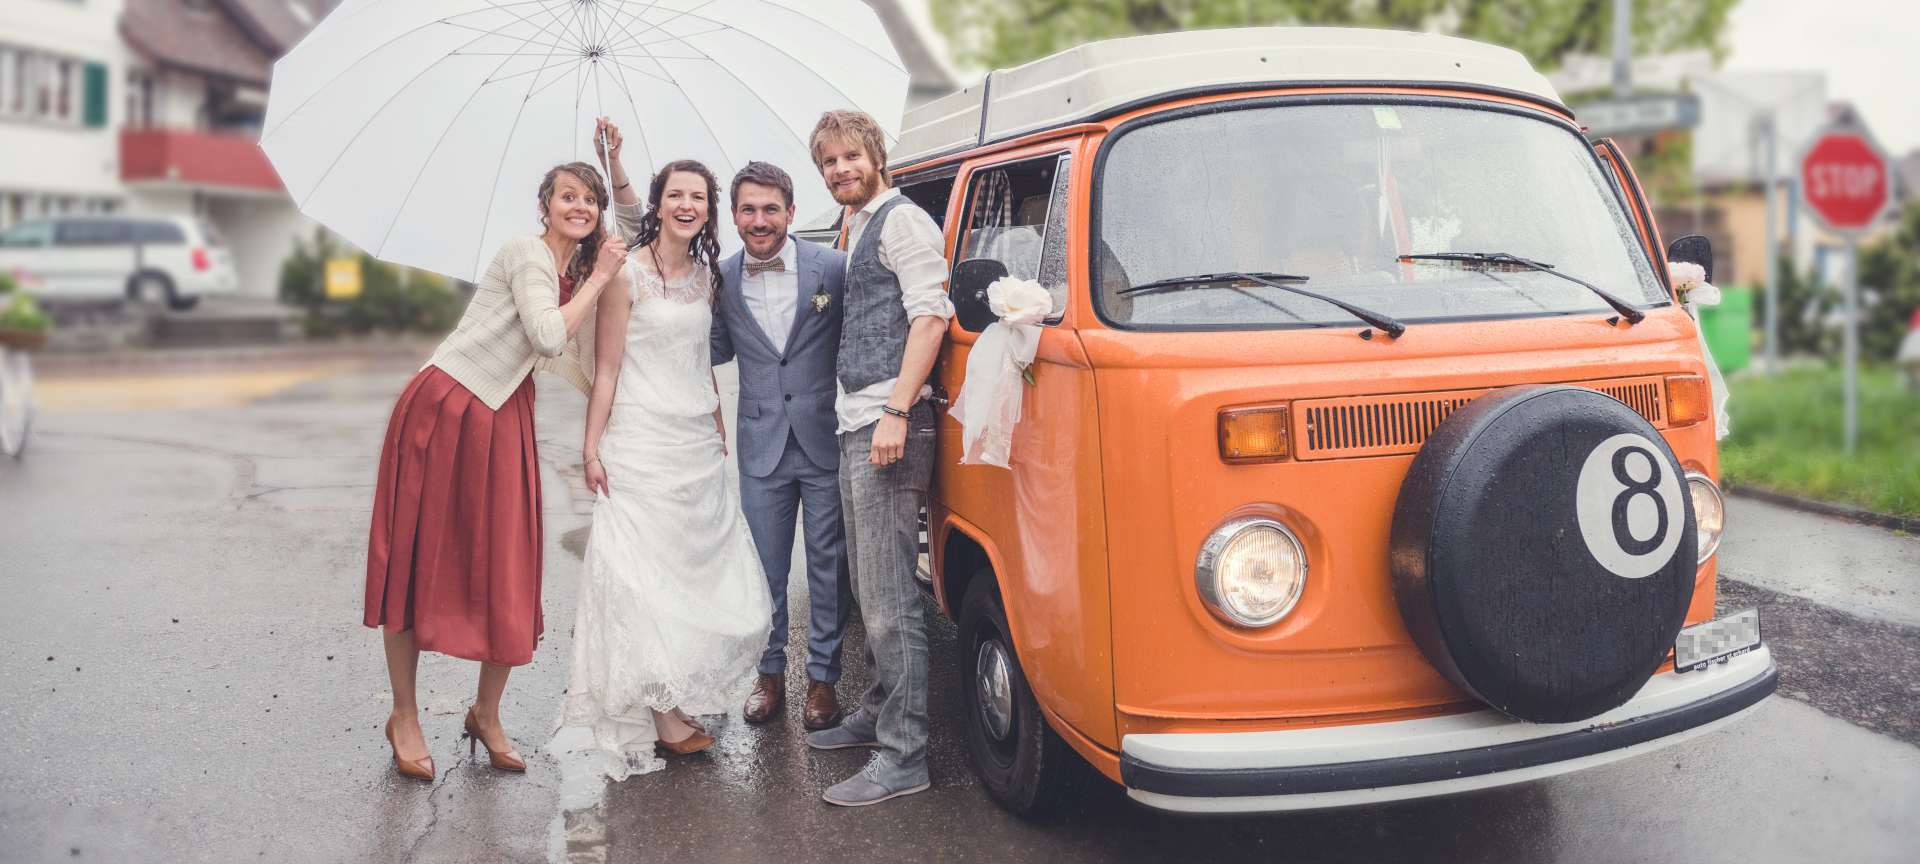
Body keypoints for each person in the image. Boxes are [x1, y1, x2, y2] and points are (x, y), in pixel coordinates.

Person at [365, 163, 625, 782]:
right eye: (568, 196)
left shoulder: (576, 273)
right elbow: (543, 332)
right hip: (447, 403)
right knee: (415, 558)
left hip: (503, 413)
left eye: (590, 199)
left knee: (508, 562)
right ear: (545, 204)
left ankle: (486, 713)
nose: (579, 207)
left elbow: (584, 345)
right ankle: (404, 715)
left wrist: (614, 177)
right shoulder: (526, 254)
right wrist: (600, 280)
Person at [555, 152, 774, 781]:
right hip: (640, 441)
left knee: (693, 575)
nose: (687, 206)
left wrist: (715, 422)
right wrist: (591, 448)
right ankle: (664, 714)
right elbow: (608, 369)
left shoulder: (708, 277)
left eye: (699, 198)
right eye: (677, 195)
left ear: (709, 211)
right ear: (657, 203)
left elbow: (699, 359)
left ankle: (673, 696)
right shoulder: (625, 274)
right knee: (642, 579)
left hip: (694, 443)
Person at [799, 110, 953, 807]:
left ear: (876, 156)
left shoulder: (904, 222)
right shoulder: (857, 226)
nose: (839, 171)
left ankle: (904, 755)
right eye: (828, 162)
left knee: (892, 604)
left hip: (890, 425)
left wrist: (897, 409)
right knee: (870, 589)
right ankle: (880, 709)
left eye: (850, 158)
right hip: (855, 423)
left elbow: (930, 316)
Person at [706, 160, 853, 731]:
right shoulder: (720, 279)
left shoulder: (833, 268)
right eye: (748, 209)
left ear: (791, 212)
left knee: (827, 567)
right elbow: (709, 351)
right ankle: (768, 677)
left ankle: (823, 679)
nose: (759, 220)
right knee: (763, 570)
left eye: (771, 209)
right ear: (734, 216)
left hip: (823, 438)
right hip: (761, 443)